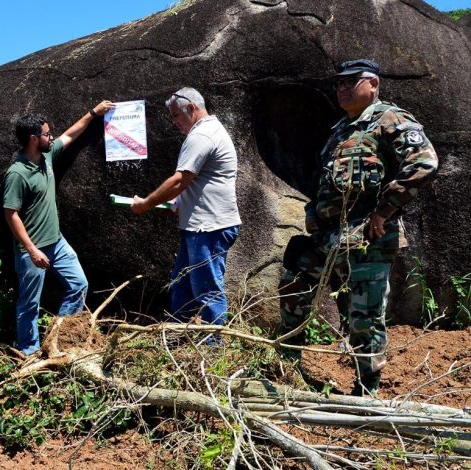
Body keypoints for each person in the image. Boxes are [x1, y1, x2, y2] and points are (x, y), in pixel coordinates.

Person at [277, 59, 439, 396]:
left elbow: (424, 162)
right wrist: (312, 211)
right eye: (338, 83)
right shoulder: (340, 130)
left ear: (374, 84)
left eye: (351, 81)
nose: (342, 88)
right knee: (294, 281)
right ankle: (287, 367)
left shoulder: (389, 119)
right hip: (327, 236)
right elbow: (321, 181)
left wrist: (383, 211)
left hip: (367, 236)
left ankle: (367, 392)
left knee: (364, 317)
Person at [3, 100, 115, 355]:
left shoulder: (46, 156)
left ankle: (58, 338)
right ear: (33, 138)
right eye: (46, 133)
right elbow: (11, 215)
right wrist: (31, 250)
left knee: (78, 284)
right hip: (31, 250)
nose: (51, 136)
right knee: (29, 303)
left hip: (56, 241)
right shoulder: (17, 173)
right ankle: (29, 352)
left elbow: (70, 135)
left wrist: (93, 113)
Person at [131, 87, 241, 337]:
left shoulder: (202, 135)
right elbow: (195, 184)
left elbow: (180, 180)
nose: (174, 122)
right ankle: (179, 339)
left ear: (191, 108)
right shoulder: (208, 131)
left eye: (175, 116)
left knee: (207, 290)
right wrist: (174, 205)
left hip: (209, 227)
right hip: (198, 226)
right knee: (181, 286)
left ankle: (214, 352)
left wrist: (145, 203)